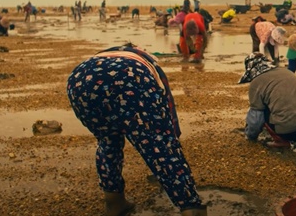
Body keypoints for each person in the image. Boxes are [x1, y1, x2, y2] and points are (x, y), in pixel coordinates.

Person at [66, 43, 207, 216]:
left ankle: (114, 202)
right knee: (159, 145)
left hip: (79, 79)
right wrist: (171, 139)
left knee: (107, 141)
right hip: (129, 77)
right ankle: (190, 207)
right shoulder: (144, 62)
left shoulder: (102, 56)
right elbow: (167, 105)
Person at [239, 53, 296, 148]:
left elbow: (256, 119)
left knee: (261, 108)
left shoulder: (255, 83)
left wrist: (250, 136)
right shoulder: (285, 71)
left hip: (291, 132)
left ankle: (281, 141)